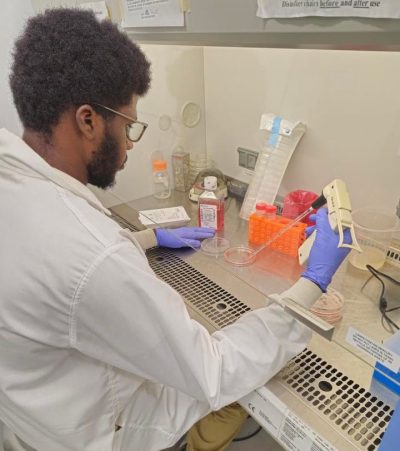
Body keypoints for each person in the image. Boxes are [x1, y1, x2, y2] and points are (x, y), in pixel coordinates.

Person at [0, 8, 351, 451]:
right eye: (128, 126)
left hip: (40, 417)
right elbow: (213, 368)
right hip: (109, 432)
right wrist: (312, 284)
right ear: (87, 120)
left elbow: (60, 268)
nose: (129, 145)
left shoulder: (12, 183)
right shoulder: (91, 256)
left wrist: (145, 238)